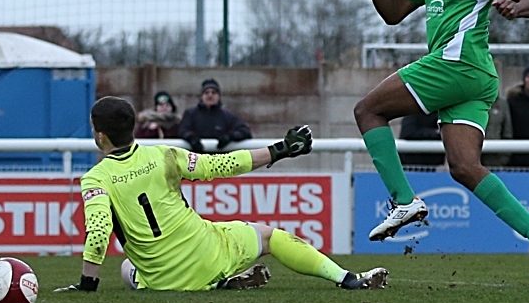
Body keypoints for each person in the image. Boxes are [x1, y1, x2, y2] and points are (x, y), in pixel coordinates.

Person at [354, 0, 529, 285]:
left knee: (367, 110)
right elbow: (392, 13)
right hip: (475, 78)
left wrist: (516, 9)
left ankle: (404, 202)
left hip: (457, 65)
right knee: (464, 168)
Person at [55, 96, 388, 292]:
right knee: (270, 237)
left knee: (128, 268)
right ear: (131, 127)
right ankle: (346, 279)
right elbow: (223, 164)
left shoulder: (95, 178)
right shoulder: (164, 155)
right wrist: (280, 149)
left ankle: (217, 283)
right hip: (208, 252)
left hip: (163, 281)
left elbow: (98, 234)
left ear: (100, 135)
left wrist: (87, 286)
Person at [179, 78, 252, 153]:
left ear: (219, 96)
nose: (210, 95)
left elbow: (245, 131)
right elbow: (183, 131)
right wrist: (192, 139)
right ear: (202, 96)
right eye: (206, 92)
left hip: (220, 160)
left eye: (213, 92)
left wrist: (229, 137)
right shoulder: (190, 114)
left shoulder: (227, 116)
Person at [480, 94, 513, 168]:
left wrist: (504, 158)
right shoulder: (472, 103)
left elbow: (507, 131)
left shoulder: (502, 104)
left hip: (496, 160)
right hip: (475, 159)